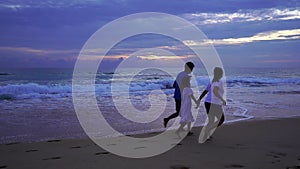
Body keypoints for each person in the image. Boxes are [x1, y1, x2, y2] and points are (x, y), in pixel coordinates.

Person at [197, 67, 226, 142]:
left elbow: (205, 91)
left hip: (207, 103)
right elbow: (215, 91)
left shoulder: (212, 81)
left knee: (211, 120)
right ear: (219, 73)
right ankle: (206, 132)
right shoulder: (218, 82)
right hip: (214, 104)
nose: (222, 74)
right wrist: (222, 99)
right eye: (221, 72)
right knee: (221, 119)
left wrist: (199, 99)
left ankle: (206, 134)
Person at [163, 62, 195, 128]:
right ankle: (168, 120)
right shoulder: (186, 76)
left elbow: (174, 85)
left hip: (176, 96)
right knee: (186, 113)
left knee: (181, 113)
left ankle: (168, 119)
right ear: (189, 68)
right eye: (192, 68)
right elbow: (185, 87)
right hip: (182, 97)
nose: (192, 70)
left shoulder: (179, 74)